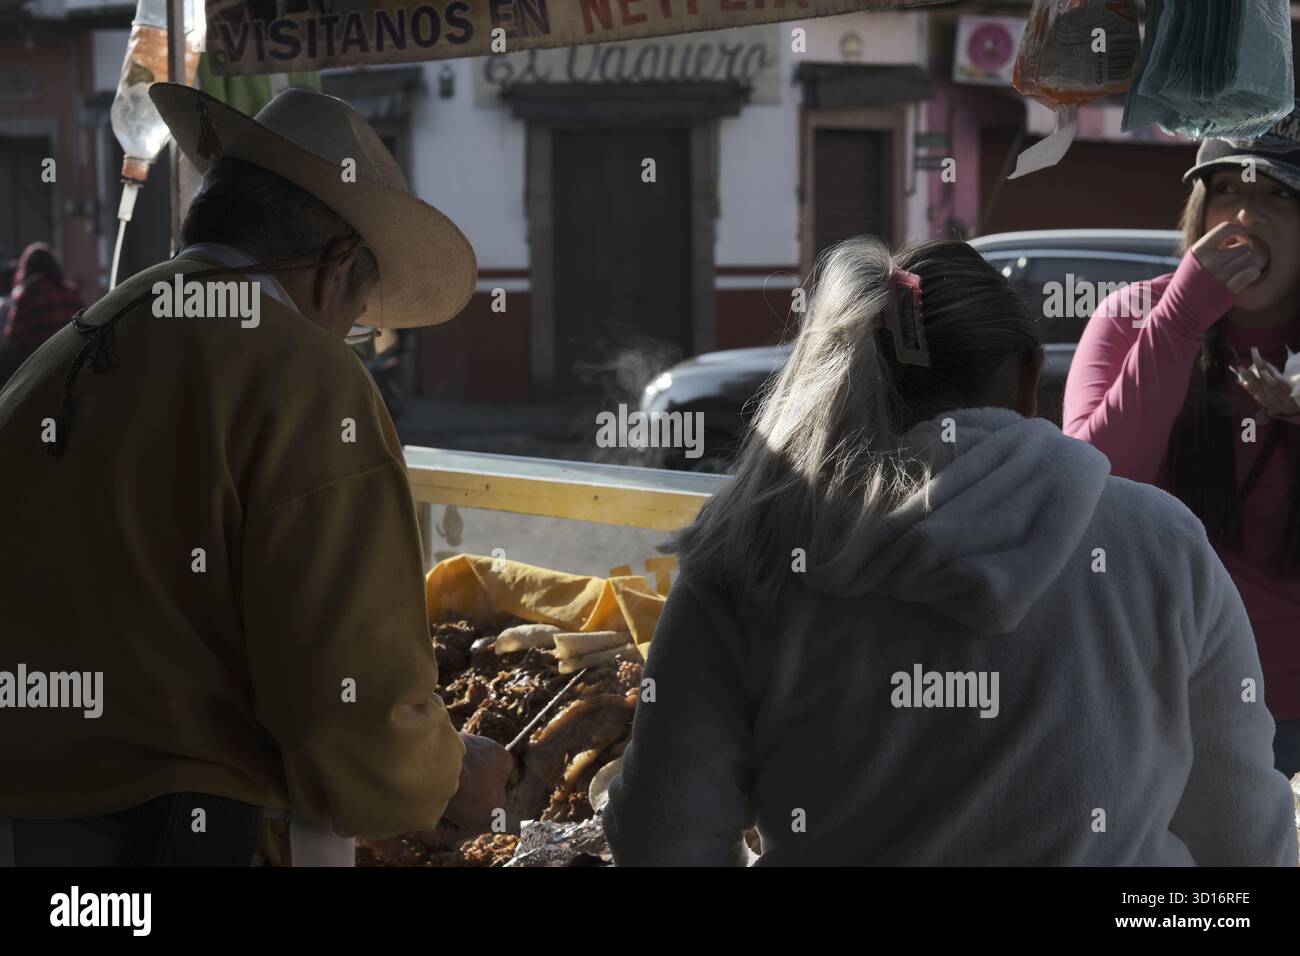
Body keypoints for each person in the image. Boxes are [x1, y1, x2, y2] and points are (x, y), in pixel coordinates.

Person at [602, 238, 1298, 866]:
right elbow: (1244, 836)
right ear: (1028, 377)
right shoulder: (1160, 541)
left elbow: (662, 839)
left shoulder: (753, 554)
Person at [0, 83, 511, 865]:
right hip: (174, 834)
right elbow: (355, 712)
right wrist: (447, 776)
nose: (352, 335)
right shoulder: (304, 373)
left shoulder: (76, 340)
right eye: (362, 315)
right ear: (337, 269)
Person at [1063, 107, 1300, 777]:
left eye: (1279, 194)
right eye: (1227, 189)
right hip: (1161, 700)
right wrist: (1182, 319)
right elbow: (1092, 488)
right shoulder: (1133, 315)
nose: (1247, 216)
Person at [0, 243, 83, 389]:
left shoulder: (26, 294)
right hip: (70, 358)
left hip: (37, 363)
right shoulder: (70, 292)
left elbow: (13, 339)